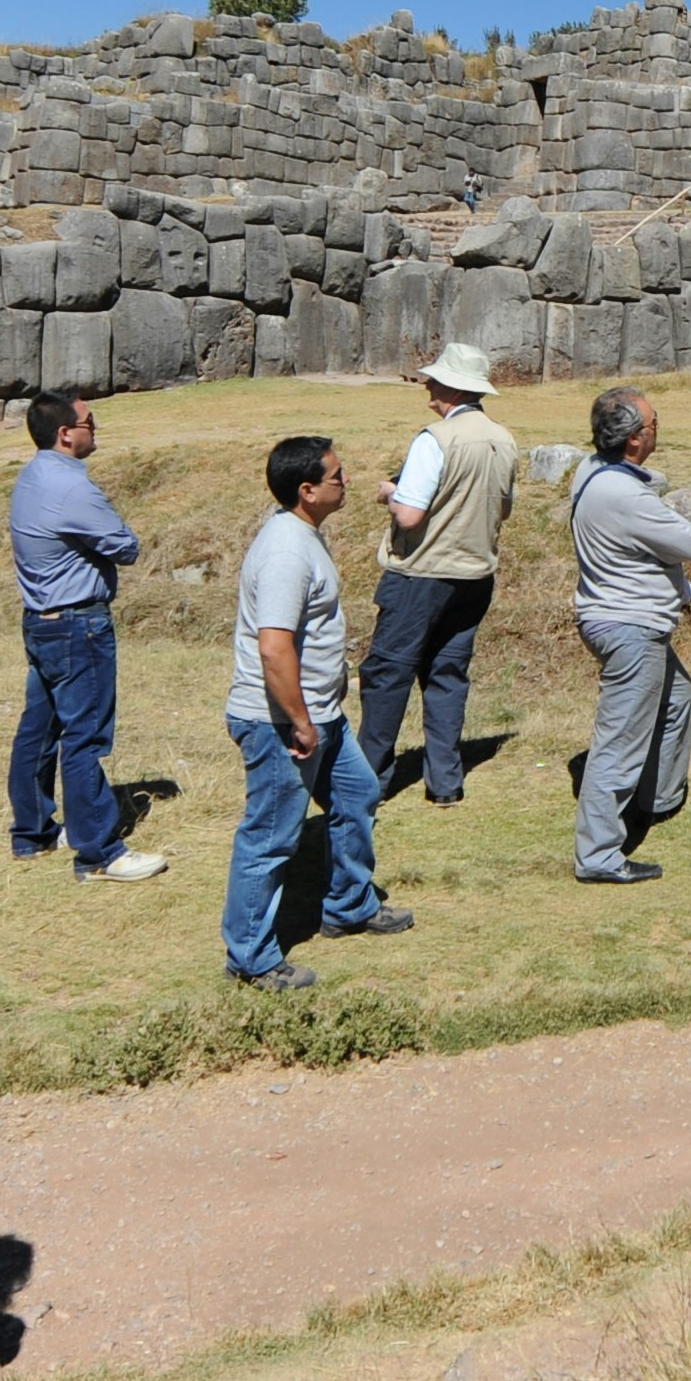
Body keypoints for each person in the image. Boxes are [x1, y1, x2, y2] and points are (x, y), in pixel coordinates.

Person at [224, 435, 403, 990]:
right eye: (337, 476)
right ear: (306, 490)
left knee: (357, 793)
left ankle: (348, 905)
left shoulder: (303, 535)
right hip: (282, 721)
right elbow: (274, 647)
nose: (346, 482)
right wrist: (300, 722)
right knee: (270, 836)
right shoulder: (286, 553)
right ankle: (251, 958)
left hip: (318, 714)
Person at [7, 389, 168, 881]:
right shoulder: (72, 488)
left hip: (41, 621)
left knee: (39, 730)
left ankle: (34, 833)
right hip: (79, 627)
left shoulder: (32, 476)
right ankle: (99, 853)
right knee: (85, 738)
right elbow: (127, 546)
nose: (95, 431)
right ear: (65, 434)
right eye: (90, 423)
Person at [357, 343, 519, 807]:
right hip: (475, 576)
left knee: (387, 674)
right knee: (447, 674)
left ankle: (367, 782)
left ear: (455, 388)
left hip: (421, 575)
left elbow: (410, 515)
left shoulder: (434, 438)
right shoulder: (503, 439)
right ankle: (445, 783)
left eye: (436, 379)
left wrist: (390, 493)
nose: (427, 384)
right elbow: (504, 509)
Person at [567, 385, 691, 884]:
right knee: (619, 743)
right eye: (653, 423)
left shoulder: (590, 470)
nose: (657, 429)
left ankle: (656, 799)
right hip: (632, 628)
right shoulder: (625, 495)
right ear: (633, 440)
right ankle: (599, 856)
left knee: (678, 697)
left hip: (610, 616)